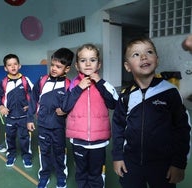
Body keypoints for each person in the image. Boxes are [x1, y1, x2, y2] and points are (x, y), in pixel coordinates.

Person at [112, 37, 191, 188]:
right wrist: (117, 157)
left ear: (157, 59)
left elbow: (182, 129)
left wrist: (178, 163)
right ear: (127, 66)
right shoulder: (125, 95)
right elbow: (118, 128)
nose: (143, 56)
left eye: (149, 52)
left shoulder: (170, 92)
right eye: (136, 54)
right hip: (131, 163)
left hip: (164, 164)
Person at [62, 43, 118, 188]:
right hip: (78, 140)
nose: (87, 64)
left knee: (96, 173)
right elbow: (65, 106)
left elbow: (114, 104)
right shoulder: (73, 85)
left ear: (98, 65)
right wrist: (79, 89)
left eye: (92, 60)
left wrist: (99, 82)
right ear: (77, 65)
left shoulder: (104, 85)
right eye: (83, 60)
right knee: (81, 173)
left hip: (98, 141)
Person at [27, 48, 74, 188]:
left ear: (67, 69)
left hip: (58, 126)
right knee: (44, 151)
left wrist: (65, 110)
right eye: (52, 65)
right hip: (42, 125)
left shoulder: (68, 85)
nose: (54, 69)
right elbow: (33, 99)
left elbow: (72, 104)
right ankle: (44, 175)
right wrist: (29, 119)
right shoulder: (42, 81)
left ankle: (61, 175)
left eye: (59, 67)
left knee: (60, 152)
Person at [0, 54, 34, 167]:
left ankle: (26, 156)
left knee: (24, 138)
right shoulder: (4, 82)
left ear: (19, 65)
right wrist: (1, 107)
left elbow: (34, 95)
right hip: (10, 117)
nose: (13, 67)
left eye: (15, 64)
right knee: (10, 138)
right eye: (9, 65)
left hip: (23, 117)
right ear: (5, 68)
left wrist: (29, 105)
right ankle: (11, 155)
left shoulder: (25, 80)